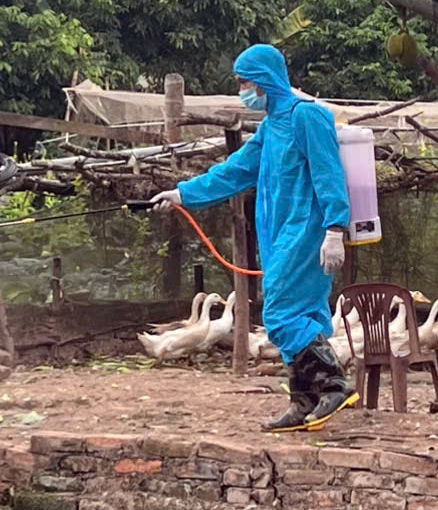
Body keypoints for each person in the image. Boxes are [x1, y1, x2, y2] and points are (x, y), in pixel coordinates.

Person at [149, 44, 359, 432]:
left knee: (279, 313)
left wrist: (334, 229)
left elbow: (329, 173)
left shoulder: (307, 115)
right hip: (279, 233)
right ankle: (304, 401)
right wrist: (182, 194)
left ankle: (333, 385)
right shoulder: (270, 128)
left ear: (264, 81)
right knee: (304, 315)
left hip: (306, 231)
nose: (242, 91)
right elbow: (235, 171)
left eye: (245, 83)